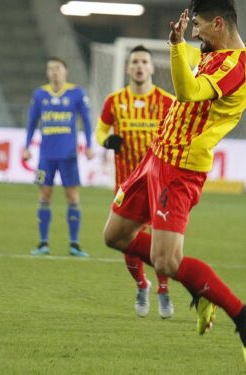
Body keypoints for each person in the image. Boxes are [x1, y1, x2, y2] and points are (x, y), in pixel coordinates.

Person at [102, 1, 246, 366]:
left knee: (165, 263)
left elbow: (190, 92)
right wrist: (180, 42)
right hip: (156, 155)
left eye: (200, 26)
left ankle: (244, 316)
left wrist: (176, 47)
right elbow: (193, 59)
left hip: (181, 168)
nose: (195, 33)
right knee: (115, 235)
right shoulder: (218, 49)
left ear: (219, 24)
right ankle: (199, 288)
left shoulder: (238, 69)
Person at [96, 45, 176, 319]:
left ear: (152, 68)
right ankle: (142, 285)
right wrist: (107, 141)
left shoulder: (167, 102)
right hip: (126, 185)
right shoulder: (114, 101)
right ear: (128, 68)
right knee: (126, 239)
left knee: (160, 240)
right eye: (135, 62)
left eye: (144, 61)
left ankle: (163, 289)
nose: (140, 66)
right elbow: (100, 131)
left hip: (159, 183)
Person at [23, 57, 94, 257]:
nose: (54, 72)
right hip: (44, 157)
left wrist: (89, 145)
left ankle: (74, 244)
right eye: (51, 69)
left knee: (72, 196)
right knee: (43, 194)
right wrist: (26, 146)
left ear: (65, 71)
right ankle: (43, 243)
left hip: (69, 156)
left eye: (58, 68)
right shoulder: (39, 94)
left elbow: (87, 121)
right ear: (47, 73)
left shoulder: (77, 93)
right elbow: (31, 122)